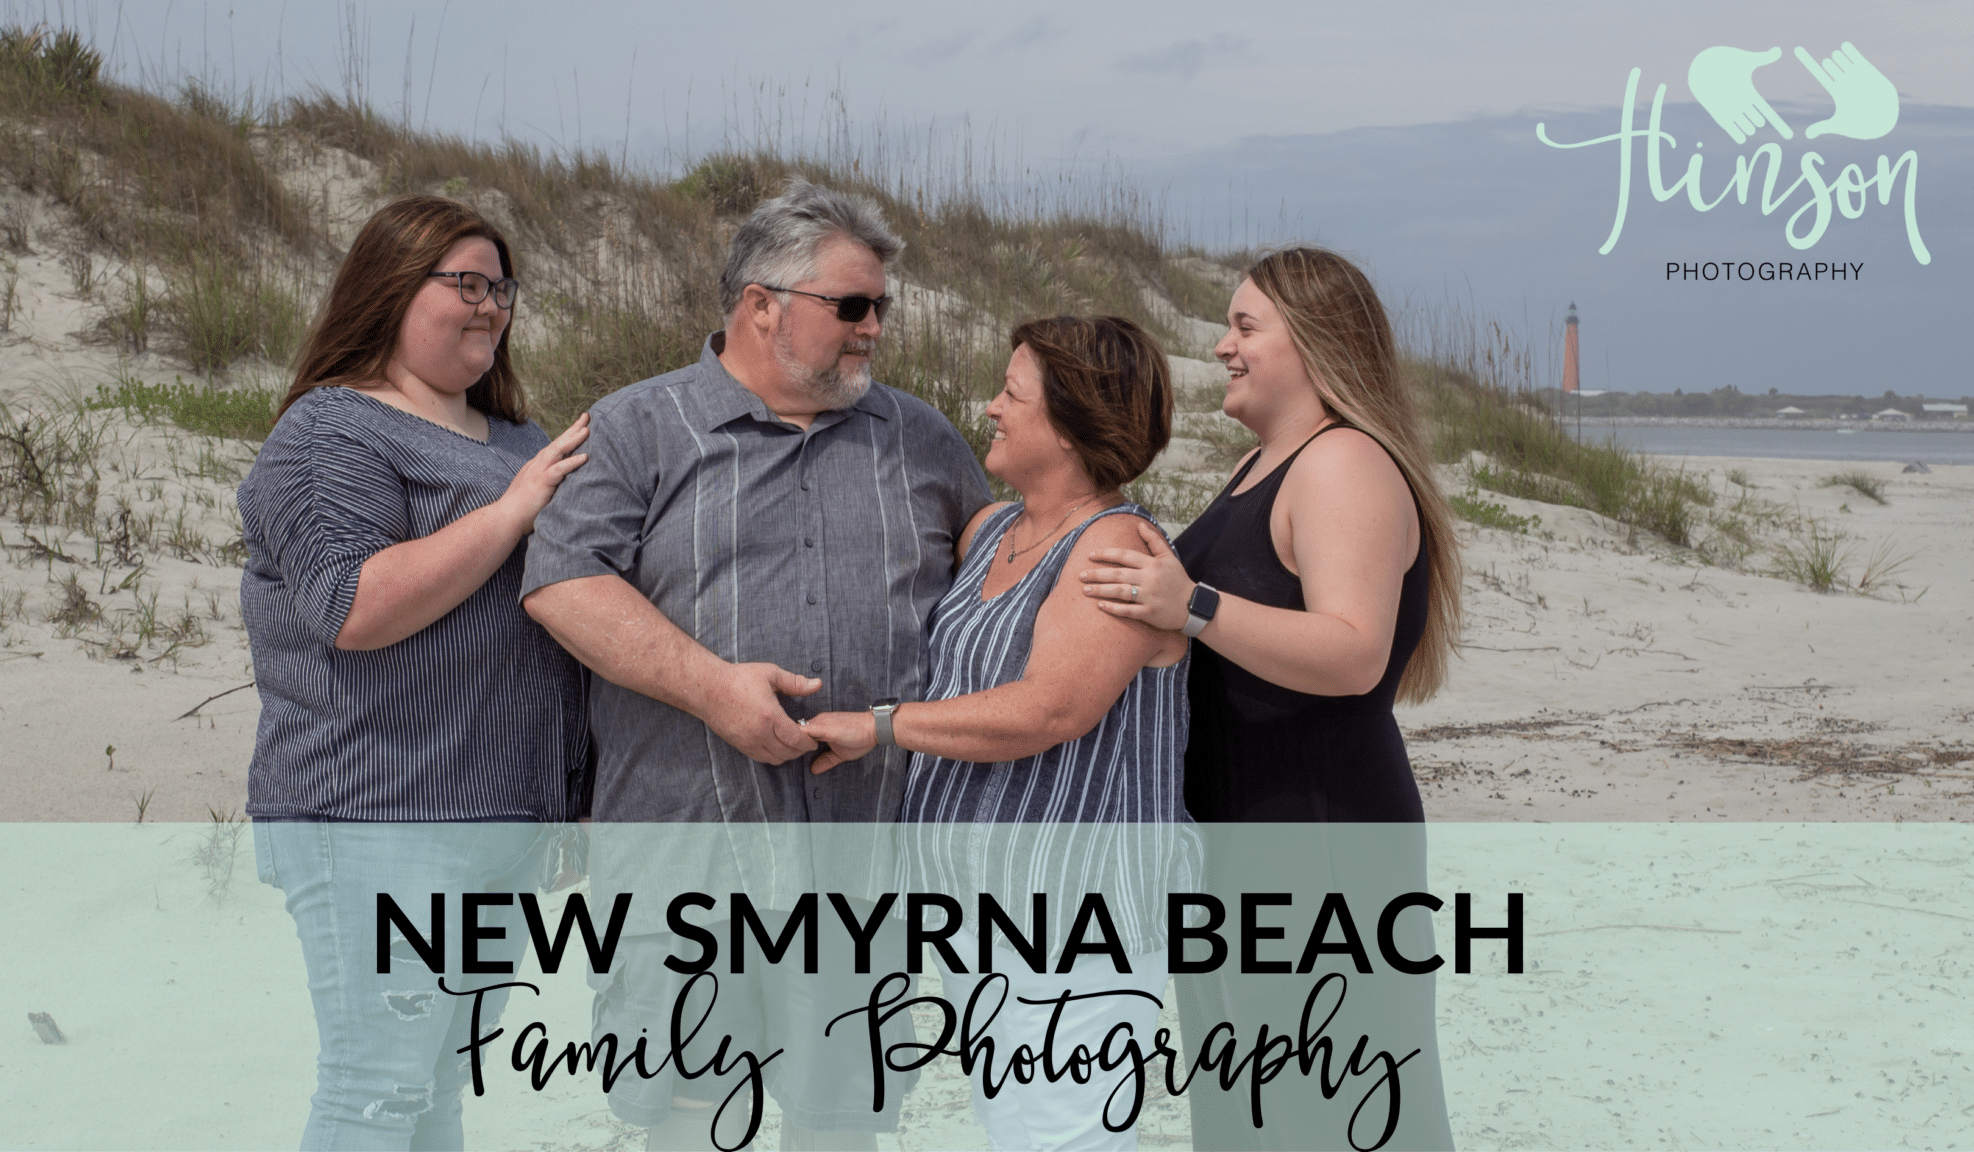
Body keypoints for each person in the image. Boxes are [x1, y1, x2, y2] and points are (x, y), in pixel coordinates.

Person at [520, 178, 991, 1151]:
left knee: (840, 1122)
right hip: (685, 855)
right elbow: (561, 584)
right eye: (852, 307)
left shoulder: (921, 438)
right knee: (690, 1116)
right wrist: (713, 689)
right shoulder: (638, 428)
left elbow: (1007, 578)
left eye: (881, 310)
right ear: (760, 305)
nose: (873, 330)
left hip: (862, 868)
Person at [1077, 247, 1460, 1150]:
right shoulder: (1263, 466)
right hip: (1242, 838)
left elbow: (1354, 651)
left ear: (1315, 344)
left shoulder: (1343, 462)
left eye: (1245, 325)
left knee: (1333, 1111)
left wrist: (1194, 606)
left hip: (1317, 838)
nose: (1221, 345)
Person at [239, 195, 592, 1149]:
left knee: (436, 1090)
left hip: (499, 822)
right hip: (377, 815)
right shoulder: (331, 431)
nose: (490, 305)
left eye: (501, 288)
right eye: (466, 284)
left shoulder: (519, 440)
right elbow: (353, 606)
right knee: (376, 1091)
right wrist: (515, 510)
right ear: (392, 288)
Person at [803, 315, 1196, 1152]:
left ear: (1070, 423)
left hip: (1075, 909)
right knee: (1017, 1126)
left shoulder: (1116, 548)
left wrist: (882, 728)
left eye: (1012, 395)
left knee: (1062, 1135)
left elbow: (1050, 708)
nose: (989, 407)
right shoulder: (993, 534)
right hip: (982, 908)